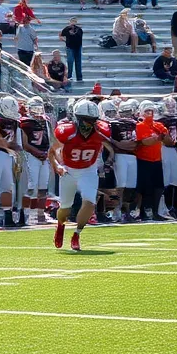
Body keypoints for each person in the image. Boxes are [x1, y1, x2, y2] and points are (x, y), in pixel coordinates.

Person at [49, 100, 109, 252]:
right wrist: (58, 166)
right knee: (65, 208)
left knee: (89, 202)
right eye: (86, 121)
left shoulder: (101, 131)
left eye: (92, 121)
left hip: (88, 170)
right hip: (68, 169)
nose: (89, 125)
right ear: (77, 118)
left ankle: (77, 234)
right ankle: (61, 225)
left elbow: (109, 144)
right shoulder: (66, 132)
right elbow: (52, 152)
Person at [59, 16, 83, 82]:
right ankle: (69, 76)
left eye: (74, 21)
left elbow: (79, 37)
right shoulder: (66, 29)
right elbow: (60, 35)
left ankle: (79, 77)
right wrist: (64, 40)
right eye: (72, 21)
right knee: (70, 61)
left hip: (78, 47)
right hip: (69, 47)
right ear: (69, 22)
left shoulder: (79, 29)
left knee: (78, 62)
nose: (73, 22)